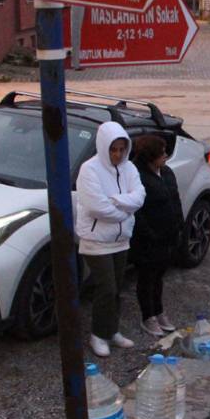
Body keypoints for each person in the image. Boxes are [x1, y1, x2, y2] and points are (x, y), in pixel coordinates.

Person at [75, 121, 145, 358]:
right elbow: (97, 207)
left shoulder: (129, 169)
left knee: (116, 288)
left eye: (121, 149)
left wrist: (118, 201)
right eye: (113, 149)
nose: (117, 154)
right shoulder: (90, 169)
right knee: (106, 287)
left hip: (121, 239)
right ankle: (98, 334)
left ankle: (111, 330)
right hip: (96, 241)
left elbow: (140, 196)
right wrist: (125, 210)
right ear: (104, 147)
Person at [130, 135, 184, 337]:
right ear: (150, 157)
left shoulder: (167, 173)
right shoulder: (138, 176)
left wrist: (180, 225)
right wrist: (149, 233)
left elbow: (175, 199)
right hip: (148, 240)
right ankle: (148, 316)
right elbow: (138, 210)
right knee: (146, 278)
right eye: (161, 153)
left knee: (159, 276)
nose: (166, 156)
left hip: (168, 236)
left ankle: (159, 311)